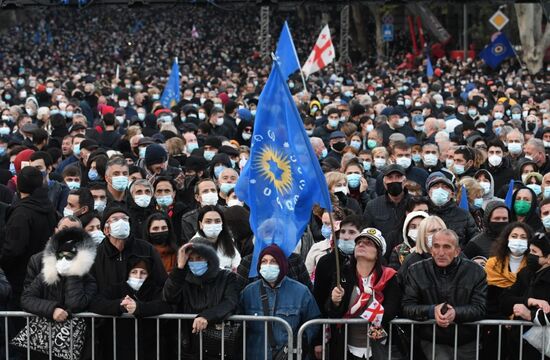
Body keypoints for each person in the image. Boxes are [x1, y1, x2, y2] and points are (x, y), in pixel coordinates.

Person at [402, 229, 487, 360]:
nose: (441, 252)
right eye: (436, 246)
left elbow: (480, 308)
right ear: (431, 249)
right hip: (432, 340)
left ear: (457, 251)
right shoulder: (416, 271)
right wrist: (431, 311)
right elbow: (407, 307)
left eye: (447, 247)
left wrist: (455, 314)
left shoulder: (475, 271)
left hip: (467, 342)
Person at [20, 227, 97, 359]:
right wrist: (52, 309)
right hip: (44, 343)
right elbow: (26, 299)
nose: (65, 260)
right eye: (61, 256)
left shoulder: (88, 281)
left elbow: (75, 304)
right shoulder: (45, 276)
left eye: (70, 257)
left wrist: (74, 274)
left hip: (75, 345)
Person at [328, 228, 403, 359]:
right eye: (359, 242)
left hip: (379, 350)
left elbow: (391, 309)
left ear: (378, 253)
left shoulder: (389, 277)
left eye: (369, 243)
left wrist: (373, 315)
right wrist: (335, 302)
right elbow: (333, 313)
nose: (361, 244)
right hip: (347, 349)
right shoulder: (342, 274)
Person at [240, 244, 322, 359]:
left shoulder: (301, 292)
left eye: (273, 261)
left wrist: (299, 342)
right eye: (264, 261)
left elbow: (313, 322)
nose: (268, 265)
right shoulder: (248, 293)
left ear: (282, 264)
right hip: (256, 354)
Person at [163, 238, 240, 359]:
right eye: (191, 259)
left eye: (199, 258)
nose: (195, 262)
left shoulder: (226, 277)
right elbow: (169, 297)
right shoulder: (183, 278)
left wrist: (207, 316)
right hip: (188, 344)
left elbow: (230, 302)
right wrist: (180, 268)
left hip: (219, 344)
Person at [90, 256, 173, 360]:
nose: (138, 276)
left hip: (148, 349)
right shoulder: (116, 289)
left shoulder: (154, 290)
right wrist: (120, 304)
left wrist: (139, 308)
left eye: (143, 272)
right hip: (120, 349)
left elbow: (165, 306)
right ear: (127, 273)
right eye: (134, 272)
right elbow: (96, 303)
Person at [1, 166, 58, 309]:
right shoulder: (49, 208)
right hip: (45, 275)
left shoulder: (21, 213)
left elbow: (13, 249)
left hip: (21, 280)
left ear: (19, 187)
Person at [482, 222, 532, 359]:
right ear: (507, 239)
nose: (518, 240)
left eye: (523, 237)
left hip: (524, 329)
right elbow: (488, 298)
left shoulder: (533, 267)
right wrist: (504, 320)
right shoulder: (493, 264)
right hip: (496, 327)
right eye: (514, 236)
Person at [92, 207, 167, 292]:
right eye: (115, 219)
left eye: (125, 219)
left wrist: (140, 305)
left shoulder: (146, 249)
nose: (121, 222)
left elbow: (161, 283)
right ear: (106, 229)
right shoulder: (96, 255)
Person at [500, 232, 550, 359]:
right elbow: (505, 301)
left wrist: (530, 315)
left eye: (535, 252)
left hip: (542, 349)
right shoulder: (525, 273)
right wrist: (528, 301)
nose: (530, 255)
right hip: (517, 345)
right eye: (530, 250)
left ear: (548, 258)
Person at [426, 171, 479, 247]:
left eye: (445, 187)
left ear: (452, 194)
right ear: (429, 192)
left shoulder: (463, 215)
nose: (440, 189)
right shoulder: (422, 212)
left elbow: (474, 240)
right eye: (436, 186)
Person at [364, 164, 411, 237]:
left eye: (398, 177)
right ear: (384, 182)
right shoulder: (372, 206)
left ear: (404, 181)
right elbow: (368, 234)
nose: (394, 180)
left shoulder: (414, 203)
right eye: (390, 177)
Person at [191, 205, 241, 271]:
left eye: (217, 221)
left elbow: (236, 259)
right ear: (201, 224)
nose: (213, 225)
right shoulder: (195, 244)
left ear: (222, 224)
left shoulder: (227, 240)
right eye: (208, 221)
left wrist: (236, 269)